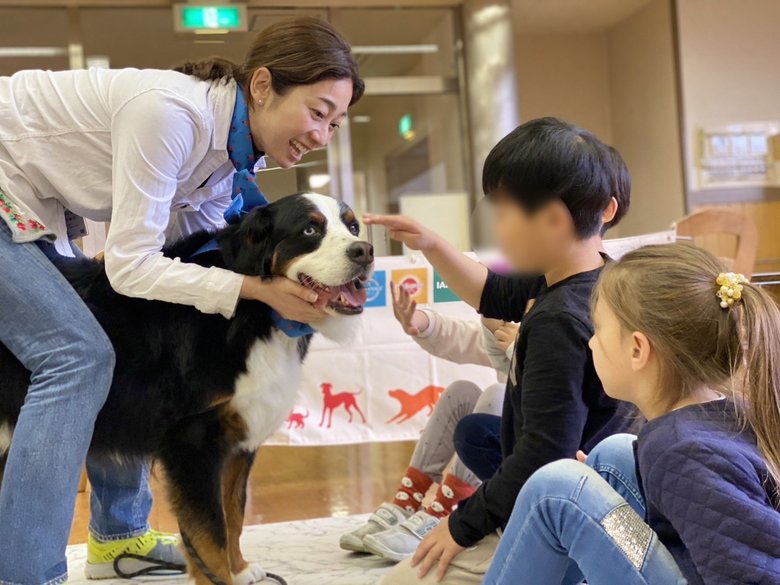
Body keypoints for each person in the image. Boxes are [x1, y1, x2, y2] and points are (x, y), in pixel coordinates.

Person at [0, 17, 363, 584]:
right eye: (318, 113)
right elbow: (130, 265)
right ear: (262, 86)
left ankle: (120, 537)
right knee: (78, 356)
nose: (322, 136)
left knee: (121, 335)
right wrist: (257, 288)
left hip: (32, 210)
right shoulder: (171, 115)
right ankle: (24, 574)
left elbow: (189, 266)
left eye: (336, 123)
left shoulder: (230, 155)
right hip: (10, 197)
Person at [366, 117, 632, 584]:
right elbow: (491, 292)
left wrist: (463, 525)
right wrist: (430, 244)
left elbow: (545, 454)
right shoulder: (588, 278)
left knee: (400, 581)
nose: (496, 225)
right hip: (581, 499)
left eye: (504, 211)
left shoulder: (558, 320)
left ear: (552, 218)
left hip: (560, 520)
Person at [485, 243, 780, 585]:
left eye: (598, 330)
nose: (591, 343)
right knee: (614, 456)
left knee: (557, 490)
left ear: (638, 349)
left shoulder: (685, 453)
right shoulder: (714, 420)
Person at [340, 280, 516, 560]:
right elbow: (467, 337)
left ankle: (450, 511)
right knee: (461, 392)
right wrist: (421, 321)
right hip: (511, 443)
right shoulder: (534, 303)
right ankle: (408, 499)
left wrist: (522, 346)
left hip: (546, 454)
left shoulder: (565, 312)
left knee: (498, 394)